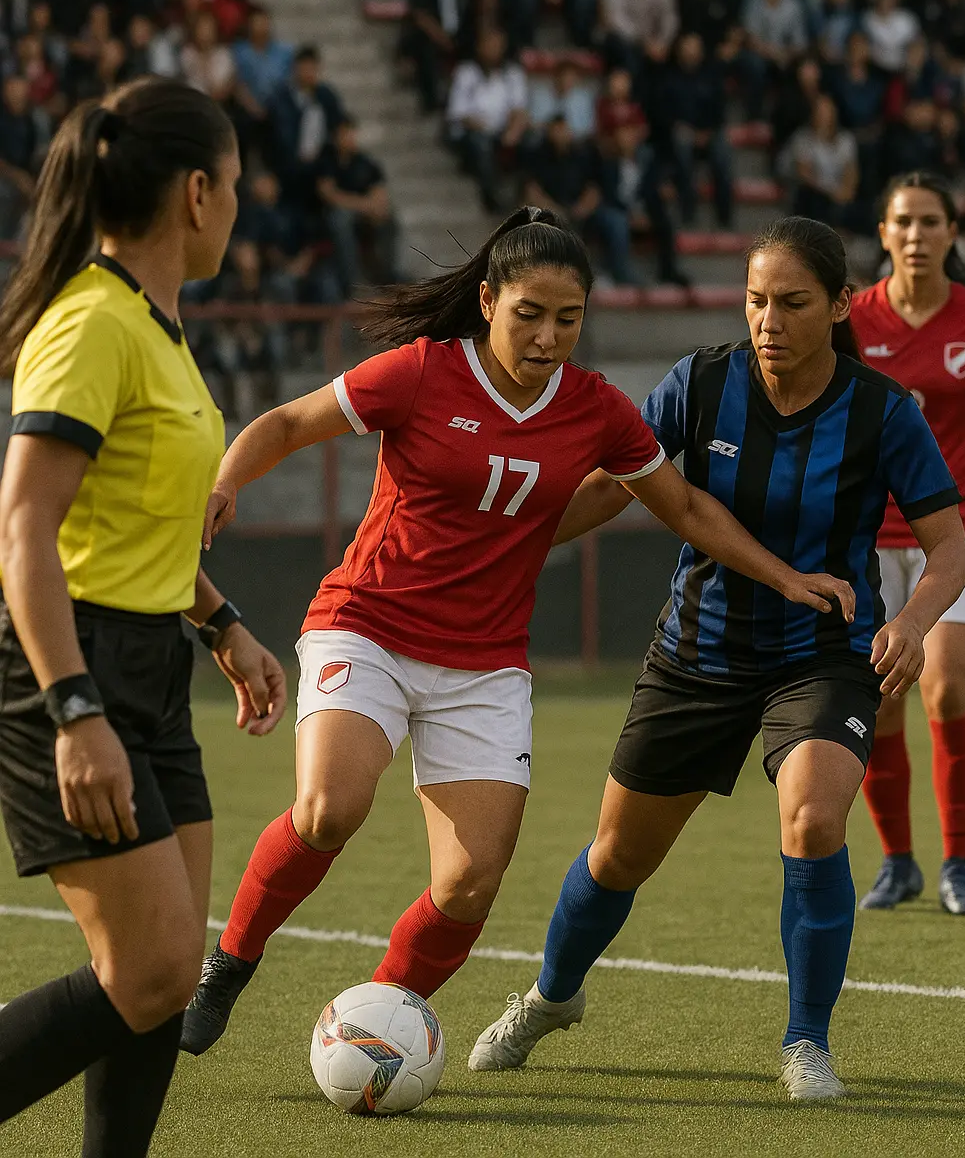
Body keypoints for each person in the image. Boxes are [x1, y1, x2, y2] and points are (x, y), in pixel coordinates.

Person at [180, 207, 857, 1056]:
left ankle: (380, 1024)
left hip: (486, 664)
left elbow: (682, 504)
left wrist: (786, 577)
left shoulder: (595, 408)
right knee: (327, 811)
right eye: (529, 314)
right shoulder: (421, 372)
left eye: (567, 318)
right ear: (490, 300)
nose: (547, 336)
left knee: (468, 886)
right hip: (370, 626)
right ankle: (230, 964)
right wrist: (227, 478)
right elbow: (287, 423)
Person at [469, 217, 965, 1100]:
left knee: (814, 821)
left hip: (826, 654)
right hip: (695, 654)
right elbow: (610, 485)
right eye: (755, 300)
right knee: (618, 855)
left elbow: (949, 551)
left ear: (840, 305)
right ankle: (551, 996)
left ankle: (806, 1042)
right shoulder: (697, 385)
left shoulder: (884, 412)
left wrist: (918, 621)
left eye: (791, 302)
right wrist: (510, 544)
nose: (767, 319)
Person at [0, 79, 285, 1154]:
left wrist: (222, 626)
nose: (240, 210)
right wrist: (74, 713)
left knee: (160, 980)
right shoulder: (91, 323)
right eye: (239, 189)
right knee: (156, 967)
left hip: (154, 664)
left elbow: (139, 524)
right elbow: (25, 526)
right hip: (68, 664)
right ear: (199, 192)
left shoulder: (158, 331)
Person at [852, 173, 965, 915]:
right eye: (904, 222)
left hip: (952, 534)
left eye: (931, 222)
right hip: (866, 537)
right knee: (882, 700)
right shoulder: (850, 320)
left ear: (954, 233)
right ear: (884, 234)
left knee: (946, 686)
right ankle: (898, 864)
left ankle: (958, 863)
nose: (917, 235)